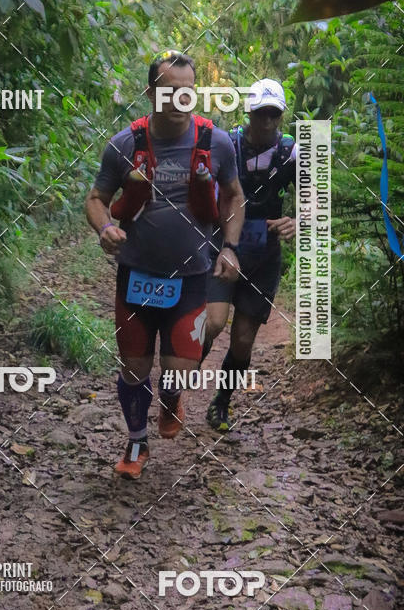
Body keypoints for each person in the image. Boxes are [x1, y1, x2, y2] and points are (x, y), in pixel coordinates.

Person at [85, 51, 245, 479]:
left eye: (188, 91)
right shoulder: (125, 145)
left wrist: (230, 247)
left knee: (179, 374)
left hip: (191, 278)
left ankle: (172, 398)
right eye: (170, 91)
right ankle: (136, 443)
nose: (180, 99)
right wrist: (104, 230)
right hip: (135, 275)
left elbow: (232, 196)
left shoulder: (217, 143)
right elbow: (96, 200)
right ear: (151, 93)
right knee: (134, 369)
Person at [203, 79, 297, 432]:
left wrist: (297, 219)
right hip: (223, 247)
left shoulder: (291, 152)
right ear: (249, 113)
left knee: (243, 339)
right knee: (212, 323)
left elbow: (316, 196)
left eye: (274, 115)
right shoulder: (225, 145)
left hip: (264, 256)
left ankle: (221, 406)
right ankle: (178, 387)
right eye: (262, 114)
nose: (268, 122)